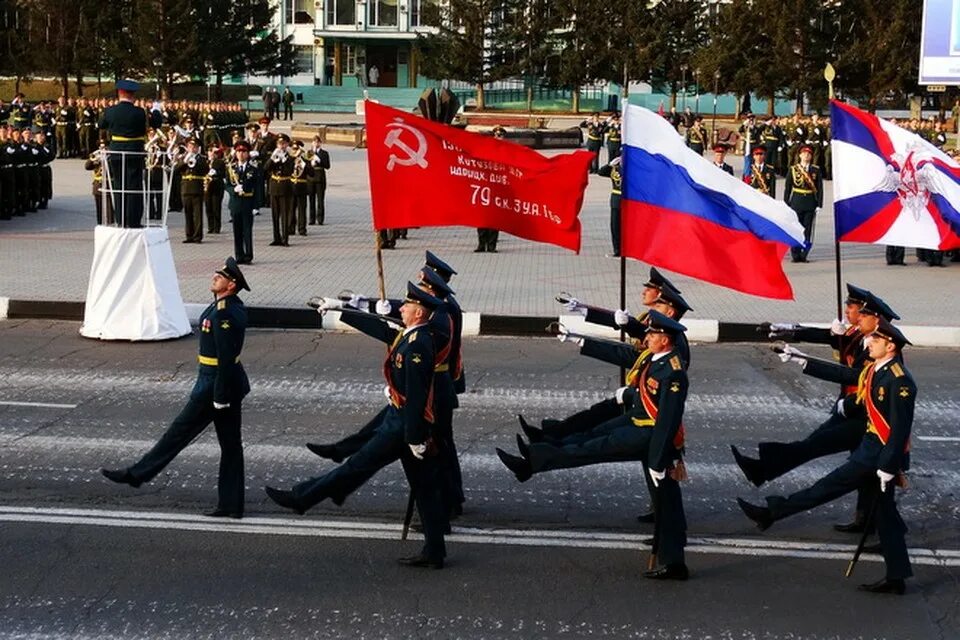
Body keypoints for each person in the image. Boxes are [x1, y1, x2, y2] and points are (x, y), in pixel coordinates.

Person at [265, 283, 449, 569]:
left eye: (407, 306)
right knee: (424, 487)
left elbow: (416, 397)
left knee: (356, 466)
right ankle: (435, 551)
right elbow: (384, 332)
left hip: (403, 427)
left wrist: (415, 438)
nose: (401, 308)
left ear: (419, 313)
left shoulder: (419, 345)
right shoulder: (412, 335)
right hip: (401, 419)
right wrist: (344, 309)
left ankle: (301, 498)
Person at [498, 311, 691, 580]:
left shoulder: (674, 372)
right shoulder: (655, 358)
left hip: (649, 437)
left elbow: (667, 422)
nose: (646, 337)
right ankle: (672, 558)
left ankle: (531, 462)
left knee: (592, 450)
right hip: (638, 425)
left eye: (652, 334)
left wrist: (659, 461)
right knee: (660, 496)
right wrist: (580, 341)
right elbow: (631, 366)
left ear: (665, 340)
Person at [737, 316, 916, 595]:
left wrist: (889, 467)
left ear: (890, 346)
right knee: (885, 515)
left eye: (876, 340)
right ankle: (897, 577)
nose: (869, 342)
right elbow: (846, 375)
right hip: (872, 451)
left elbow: (899, 430)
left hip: (877, 458)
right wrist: (802, 360)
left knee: (824, 489)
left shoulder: (900, 381)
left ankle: (771, 513)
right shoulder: (875, 370)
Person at [732, 288, 898, 534]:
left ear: (877, 320)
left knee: (823, 456)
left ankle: (769, 494)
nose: (853, 314)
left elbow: (854, 375)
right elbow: (827, 336)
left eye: (860, 312)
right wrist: (789, 329)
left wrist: (806, 361)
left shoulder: (881, 348)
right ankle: (870, 522)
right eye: (856, 311)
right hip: (849, 410)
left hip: (863, 419)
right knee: (847, 465)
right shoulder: (859, 336)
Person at [102, 259, 251, 519]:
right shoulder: (223, 306)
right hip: (220, 383)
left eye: (221, 276)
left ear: (232, 285)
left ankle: (137, 474)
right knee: (230, 445)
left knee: (178, 433)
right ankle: (231, 504)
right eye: (216, 273)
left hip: (215, 384)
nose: (215, 277)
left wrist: (219, 397)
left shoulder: (226, 313)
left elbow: (226, 359)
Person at [97, 79, 163, 227]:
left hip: (116, 152)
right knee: (134, 187)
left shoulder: (110, 111)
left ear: (119, 94)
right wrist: (156, 111)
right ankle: (133, 221)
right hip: (135, 152)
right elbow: (157, 124)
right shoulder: (140, 112)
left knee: (119, 186)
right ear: (132, 95)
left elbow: (101, 124)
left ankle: (121, 220)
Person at [783, 144, 823, 263]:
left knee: (808, 230)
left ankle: (804, 254)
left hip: (810, 202)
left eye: (809, 154)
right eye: (804, 153)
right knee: (796, 228)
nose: (806, 155)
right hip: (796, 202)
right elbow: (788, 188)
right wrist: (786, 203)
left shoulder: (815, 170)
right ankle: (795, 254)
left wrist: (819, 204)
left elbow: (820, 188)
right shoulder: (793, 169)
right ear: (800, 155)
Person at [226, 141, 259, 265]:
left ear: (247, 154)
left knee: (247, 231)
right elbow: (227, 185)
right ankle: (239, 255)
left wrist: (256, 205)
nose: (241, 154)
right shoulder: (231, 168)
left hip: (247, 202)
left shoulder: (253, 169)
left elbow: (257, 187)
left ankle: (248, 255)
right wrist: (233, 190)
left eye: (244, 152)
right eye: (239, 152)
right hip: (235, 203)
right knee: (237, 231)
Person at [263, 133, 295, 246]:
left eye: (283, 144)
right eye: (279, 144)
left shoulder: (291, 157)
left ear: (287, 145)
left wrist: (284, 160)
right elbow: (265, 168)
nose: (281, 146)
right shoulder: (273, 156)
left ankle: (285, 239)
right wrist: (272, 159)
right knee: (275, 215)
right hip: (274, 187)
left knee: (285, 214)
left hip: (285, 187)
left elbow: (289, 170)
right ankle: (276, 238)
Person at [175, 138, 208, 243]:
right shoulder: (183, 158)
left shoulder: (201, 159)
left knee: (197, 215)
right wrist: (184, 161)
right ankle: (189, 236)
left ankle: (197, 236)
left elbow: (205, 170)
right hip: (186, 188)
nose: (192, 148)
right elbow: (176, 170)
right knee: (188, 213)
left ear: (198, 148)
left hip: (197, 188)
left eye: (194, 147)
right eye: (190, 146)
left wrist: (196, 161)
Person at [597, 156, 622, 257]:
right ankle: (617, 250)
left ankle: (629, 249)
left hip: (628, 202)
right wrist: (610, 164)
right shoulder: (614, 168)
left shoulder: (633, 168)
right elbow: (601, 172)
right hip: (616, 201)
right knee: (615, 226)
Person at [306, 135, 330, 225]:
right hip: (311, 178)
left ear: (320, 143)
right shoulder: (309, 152)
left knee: (320, 200)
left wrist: (320, 161)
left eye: (317, 142)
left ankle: (320, 219)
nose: (316, 143)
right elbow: (306, 165)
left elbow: (327, 166)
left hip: (320, 178)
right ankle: (311, 219)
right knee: (311, 200)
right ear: (312, 143)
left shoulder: (324, 153)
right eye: (314, 142)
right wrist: (310, 164)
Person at [205, 145, 226, 234]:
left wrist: (216, 173)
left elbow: (223, 174)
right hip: (207, 187)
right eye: (210, 151)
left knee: (216, 207)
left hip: (217, 187)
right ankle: (210, 227)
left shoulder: (220, 162)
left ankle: (217, 228)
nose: (211, 153)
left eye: (214, 152)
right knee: (208, 208)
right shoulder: (205, 162)